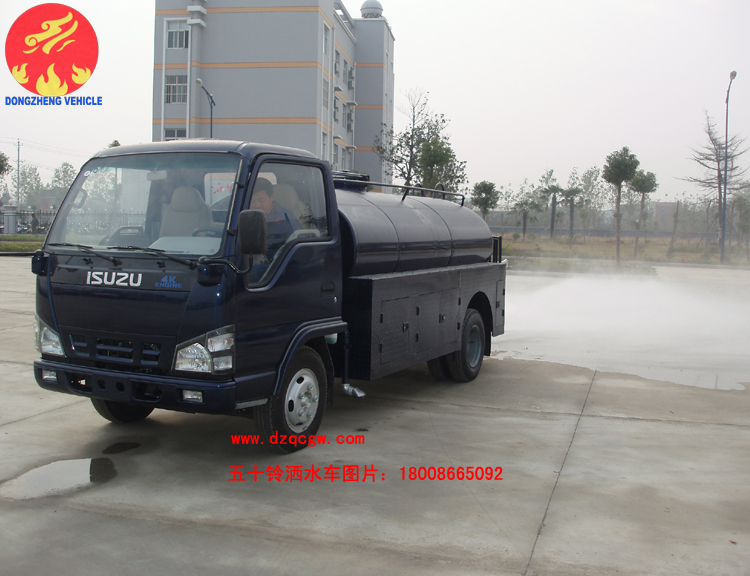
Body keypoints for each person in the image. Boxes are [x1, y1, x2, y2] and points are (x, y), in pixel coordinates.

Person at [250, 177, 302, 261]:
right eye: (252, 201)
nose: (257, 205)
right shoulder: (245, 216)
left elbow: (299, 245)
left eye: (261, 200)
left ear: (271, 197)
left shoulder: (286, 217)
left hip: (277, 263)